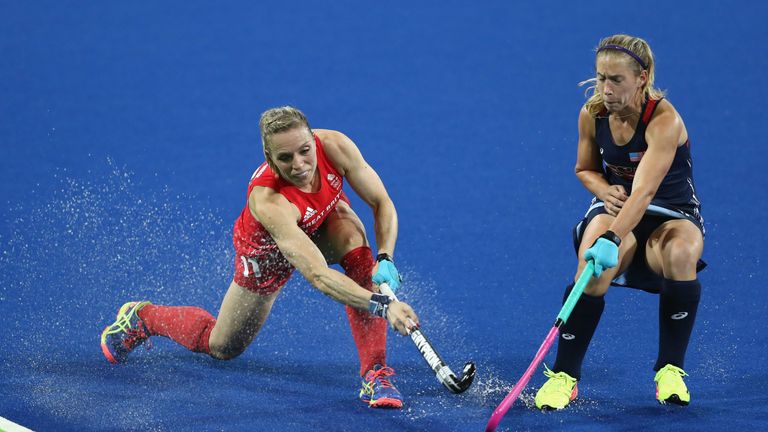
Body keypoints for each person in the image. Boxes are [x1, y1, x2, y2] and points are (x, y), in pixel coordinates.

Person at [100, 106, 420, 409]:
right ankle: (143, 317)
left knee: (357, 249)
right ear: (269, 158)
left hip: (322, 220)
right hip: (268, 253)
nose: (300, 165)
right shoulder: (269, 201)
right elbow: (318, 275)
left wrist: (385, 256)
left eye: (305, 150)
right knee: (222, 346)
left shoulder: (336, 145)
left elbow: (382, 202)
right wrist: (383, 305)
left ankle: (374, 372)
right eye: (285, 157)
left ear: (313, 140)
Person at [534, 35, 705, 410]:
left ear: (642, 77)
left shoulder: (664, 120)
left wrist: (612, 236)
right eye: (600, 78)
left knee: (680, 254)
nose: (605, 89)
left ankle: (670, 370)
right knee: (590, 270)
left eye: (615, 80)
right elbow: (584, 169)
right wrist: (604, 189)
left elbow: (644, 193)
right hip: (616, 207)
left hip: (669, 211)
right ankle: (564, 376)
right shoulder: (592, 114)